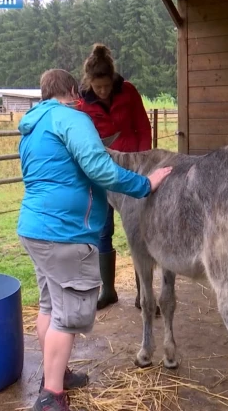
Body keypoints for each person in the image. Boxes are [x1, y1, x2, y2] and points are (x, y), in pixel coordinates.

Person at [17, 69, 172, 411]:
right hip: (64, 233)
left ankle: (54, 374)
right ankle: (52, 396)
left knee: (48, 306)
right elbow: (100, 168)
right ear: (74, 92)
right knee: (66, 314)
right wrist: (145, 184)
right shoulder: (72, 119)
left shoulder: (32, 126)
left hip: (34, 228)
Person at [76, 43, 153, 311]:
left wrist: (143, 162)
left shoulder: (128, 91)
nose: (104, 91)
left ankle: (144, 294)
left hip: (132, 170)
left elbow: (142, 125)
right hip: (102, 173)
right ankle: (108, 291)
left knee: (139, 230)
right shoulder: (82, 103)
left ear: (113, 79)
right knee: (103, 229)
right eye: (99, 87)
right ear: (90, 83)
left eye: (107, 86)